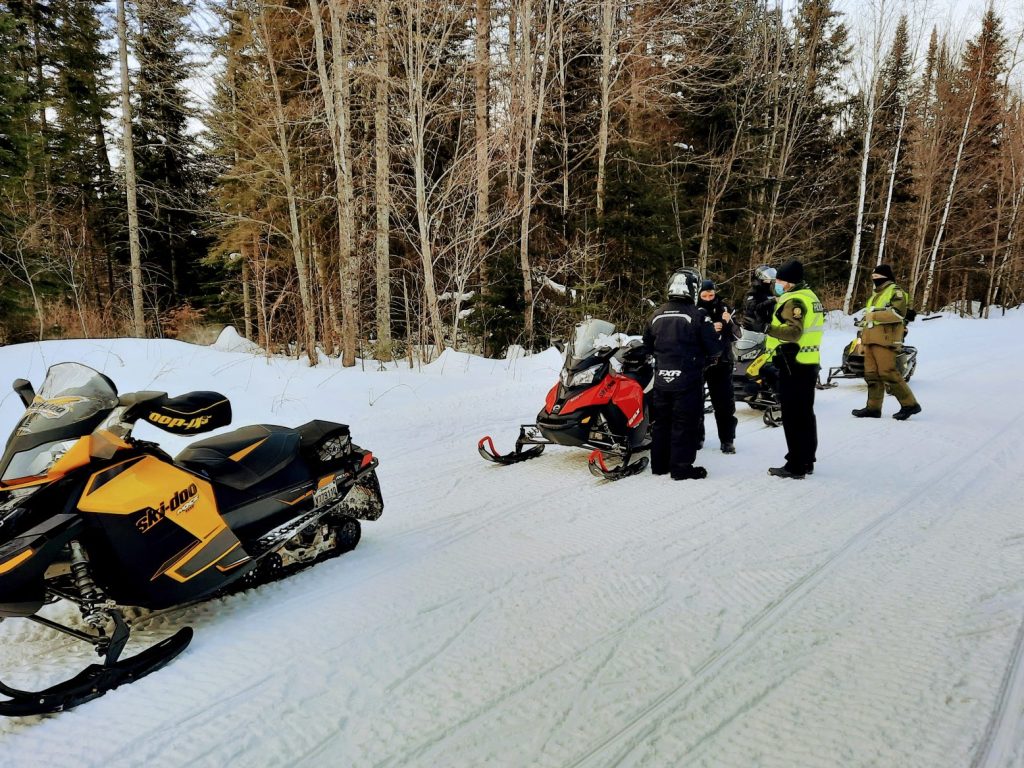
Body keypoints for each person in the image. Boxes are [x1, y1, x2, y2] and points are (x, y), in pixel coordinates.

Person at [642, 269, 721, 480]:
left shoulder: (655, 315)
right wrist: (709, 358)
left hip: (661, 379)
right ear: (693, 290)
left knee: (661, 422)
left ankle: (659, 465)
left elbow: (647, 345)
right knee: (685, 423)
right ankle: (681, 468)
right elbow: (714, 348)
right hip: (688, 378)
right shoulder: (698, 315)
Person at [764, 260, 823, 479]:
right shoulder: (810, 296)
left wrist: (767, 328)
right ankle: (806, 460)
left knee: (793, 416)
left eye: (780, 280)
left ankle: (796, 465)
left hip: (793, 362)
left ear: (790, 282)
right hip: (807, 362)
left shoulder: (795, 300)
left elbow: (793, 333)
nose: (777, 283)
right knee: (805, 414)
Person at [852, 264, 922, 421]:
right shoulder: (875, 295)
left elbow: (898, 314)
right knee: (871, 375)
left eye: (878, 277)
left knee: (887, 372)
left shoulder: (896, 292)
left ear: (886, 277)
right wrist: (862, 341)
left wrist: (874, 316)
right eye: (873, 278)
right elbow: (868, 320)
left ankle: (909, 404)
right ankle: (873, 408)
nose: (875, 280)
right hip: (870, 340)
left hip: (886, 340)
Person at [697, 279, 741, 453]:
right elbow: (688, 335)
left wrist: (729, 322)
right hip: (700, 362)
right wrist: (708, 329)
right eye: (705, 295)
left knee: (724, 404)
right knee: (695, 403)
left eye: (711, 295)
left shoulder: (725, 308)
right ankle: (697, 438)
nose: (708, 298)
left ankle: (727, 439)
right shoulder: (693, 310)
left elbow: (738, 335)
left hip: (722, 362)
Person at [741, 264, 778, 332]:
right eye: (767, 278)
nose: (769, 280)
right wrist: (772, 301)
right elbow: (753, 308)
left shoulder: (768, 291)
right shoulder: (753, 292)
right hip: (752, 329)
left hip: (766, 328)